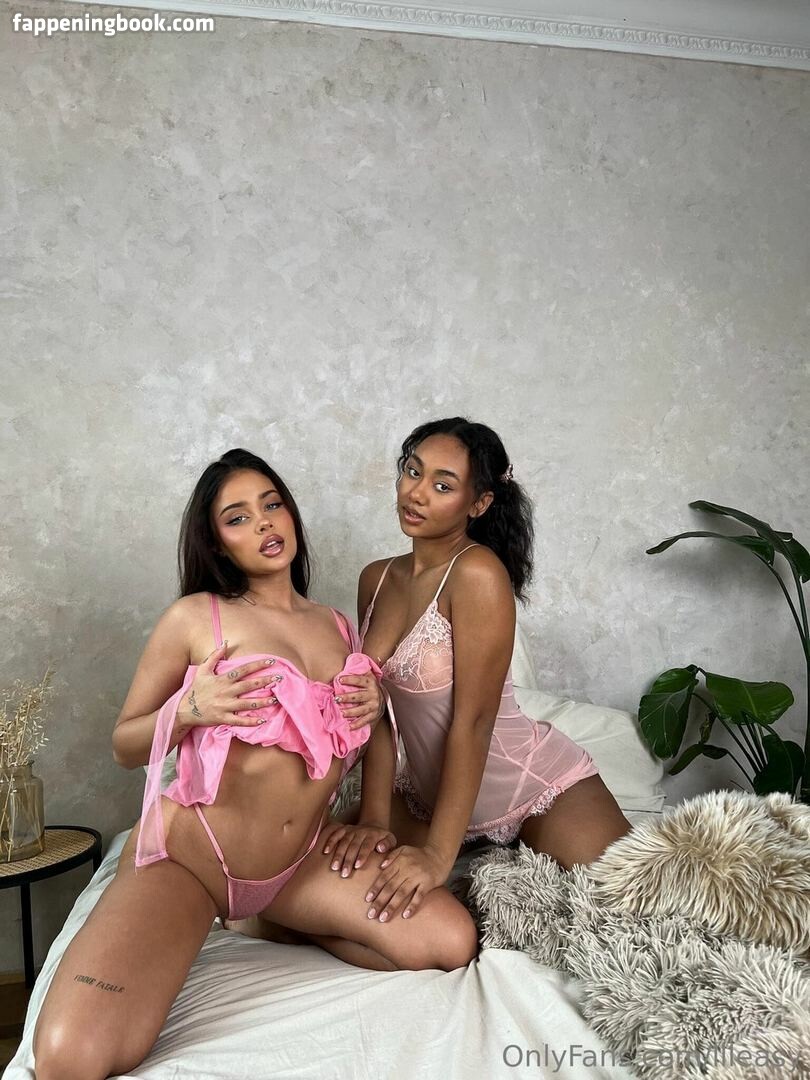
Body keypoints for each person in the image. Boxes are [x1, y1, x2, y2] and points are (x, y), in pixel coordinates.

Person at [33, 448, 478, 1080]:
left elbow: (376, 727)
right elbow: (125, 744)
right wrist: (188, 709)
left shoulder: (337, 627)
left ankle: (266, 917)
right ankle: (234, 910)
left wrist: (374, 811)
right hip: (195, 859)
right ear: (217, 542)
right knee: (69, 1057)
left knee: (450, 942)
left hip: (298, 863)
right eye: (237, 517)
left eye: (272, 505)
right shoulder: (195, 618)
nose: (264, 522)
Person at [325, 418, 631, 926]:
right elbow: (375, 709)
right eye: (413, 472)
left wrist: (436, 856)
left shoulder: (478, 573)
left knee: (640, 908)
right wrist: (375, 818)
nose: (417, 493)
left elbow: (474, 722)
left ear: (479, 503)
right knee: (332, 867)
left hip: (529, 787)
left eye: (443, 485)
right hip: (428, 798)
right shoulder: (376, 578)